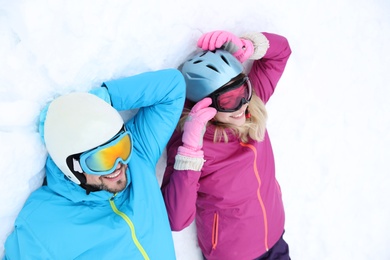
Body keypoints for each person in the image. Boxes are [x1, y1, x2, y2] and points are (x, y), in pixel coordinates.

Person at [4, 69, 185, 259]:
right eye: (100, 160)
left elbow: (171, 87)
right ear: (72, 168)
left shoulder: (138, 157)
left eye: (121, 147)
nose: (118, 165)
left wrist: (105, 99)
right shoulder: (43, 225)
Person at [161, 30, 292, 260]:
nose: (242, 105)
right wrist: (190, 151)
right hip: (233, 255)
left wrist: (248, 46)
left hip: (275, 238)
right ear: (206, 104)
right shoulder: (193, 143)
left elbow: (281, 53)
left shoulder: (251, 107)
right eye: (229, 100)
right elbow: (176, 218)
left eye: (244, 90)